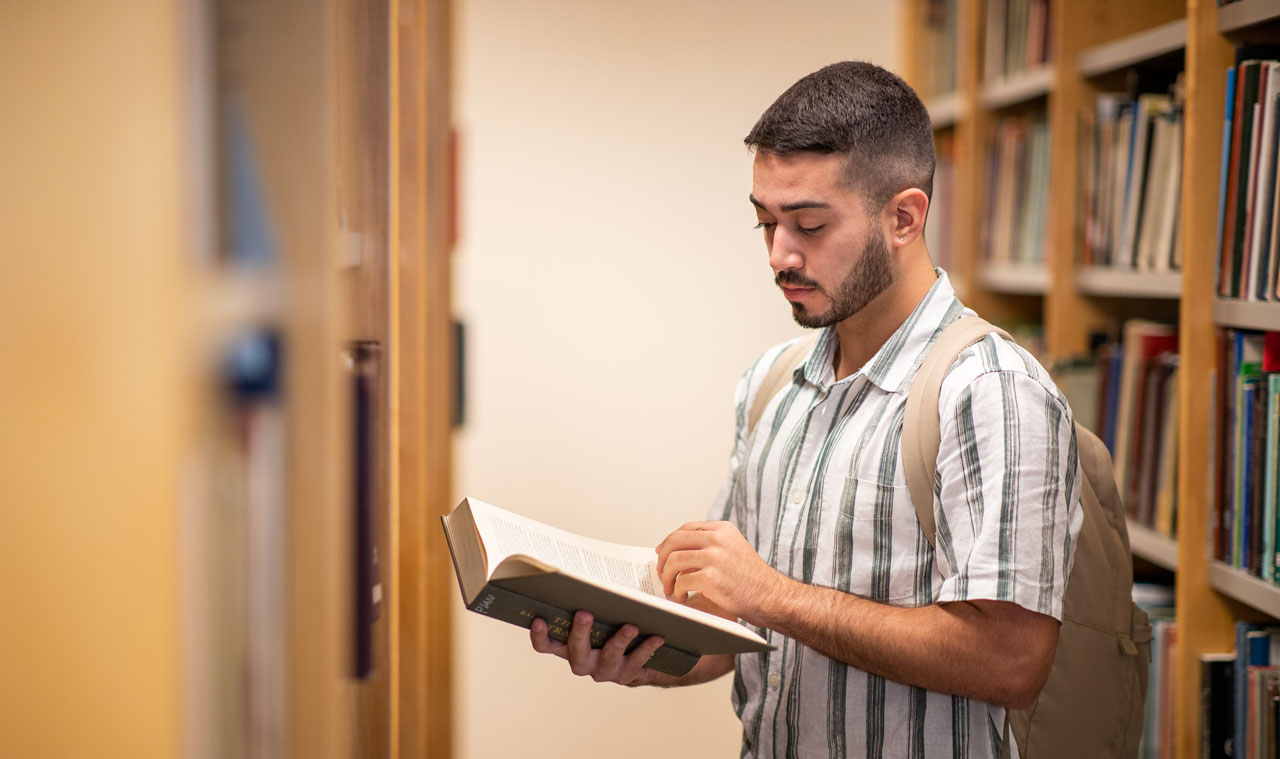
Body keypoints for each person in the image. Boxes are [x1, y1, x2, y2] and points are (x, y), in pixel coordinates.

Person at [529, 61, 1082, 759]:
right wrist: (640, 651)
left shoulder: (992, 391)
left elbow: (1011, 660)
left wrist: (772, 594)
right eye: (765, 222)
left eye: (810, 225)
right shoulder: (773, 383)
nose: (779, 255)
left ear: (904, 217)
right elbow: (734, 630)